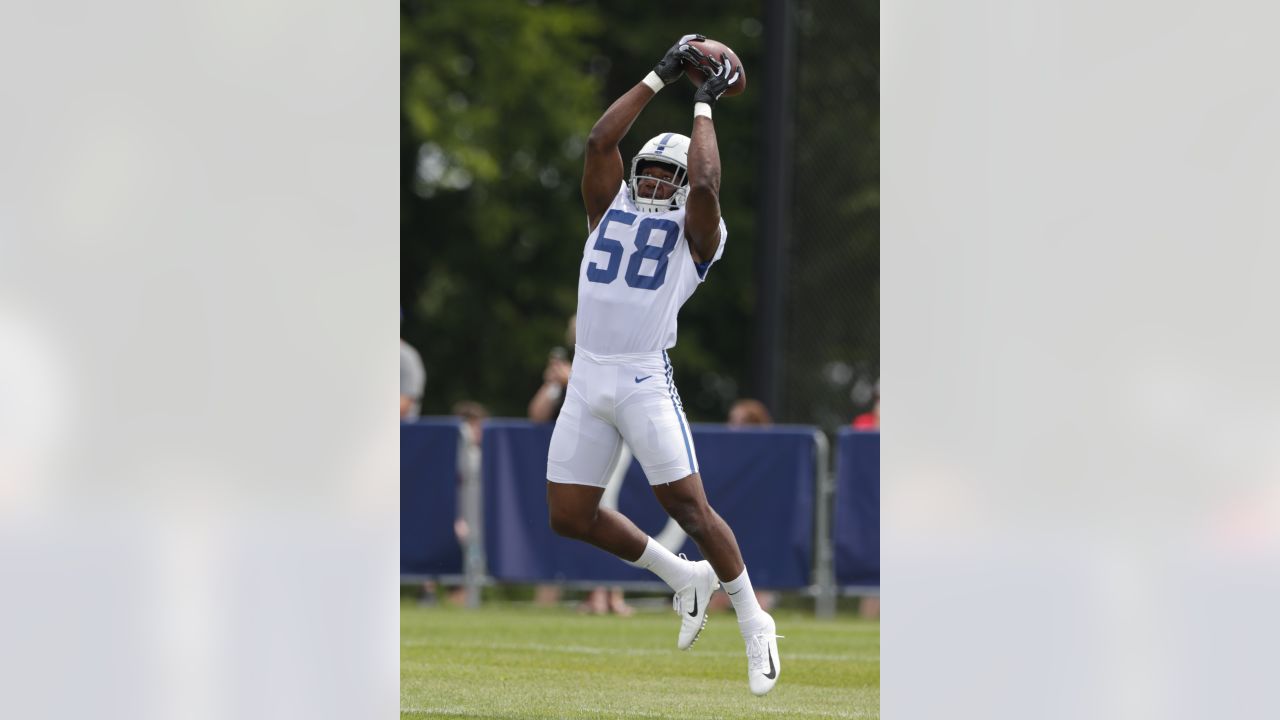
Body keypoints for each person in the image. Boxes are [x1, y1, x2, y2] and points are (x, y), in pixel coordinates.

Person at [544, 36, 780, 695]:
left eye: (664, 176)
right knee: (568, 514)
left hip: (644, 375)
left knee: (691, 507)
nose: (653, 179)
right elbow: (598, 143)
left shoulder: (697, 233)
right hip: (589, 374)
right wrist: (658, 74)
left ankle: (755, 621)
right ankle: (682, 576)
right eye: (647, 168)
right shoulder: (606, 206)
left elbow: (704, 182)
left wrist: (705, 106)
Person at [529, 316, 634, 616]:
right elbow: (537, 414)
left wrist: (570, 379)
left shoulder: (612, 360)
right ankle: (596, 593)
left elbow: (611, 397)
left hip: (610, 448)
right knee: (582, 518)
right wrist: (552, 384)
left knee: (607, 514)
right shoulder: (574, 367)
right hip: (577, 452)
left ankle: (613, 592)